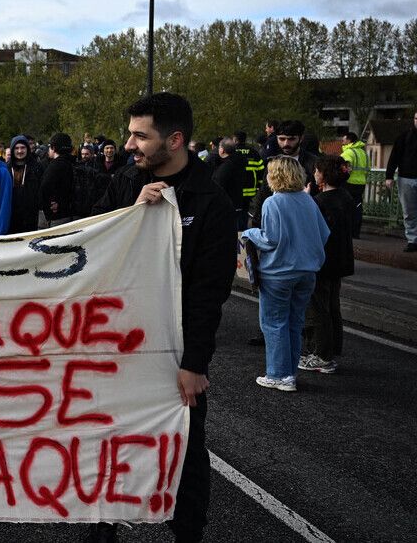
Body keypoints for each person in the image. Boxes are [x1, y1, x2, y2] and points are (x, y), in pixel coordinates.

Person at [90, 93, 236, 543]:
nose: (129, 144)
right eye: (130, 133)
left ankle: (188, 532)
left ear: (174, 140)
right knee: (108, 439)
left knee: (186, 450)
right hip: (118, 346)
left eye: (140, 135)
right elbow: (90, 247)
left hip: (174, 354)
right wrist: (132, 215)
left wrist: (194, 364)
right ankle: (102, 524)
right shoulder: (123, 184)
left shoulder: (211, 203)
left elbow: (208, 294)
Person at [241, 157, 328, 392]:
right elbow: (324, 233)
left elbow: (270, 239)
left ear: (274, 176)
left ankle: (278, 374)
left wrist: (250, 232)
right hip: (307, 271)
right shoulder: (308, 201)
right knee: (294, 322)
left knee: (273, 323)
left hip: (278, 272)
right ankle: (289, 374)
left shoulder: (273, 203)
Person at [301, 154, 355, 375]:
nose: (314, 173)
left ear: (324, 175)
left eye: (317, 170)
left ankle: (322, 355)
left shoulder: (320, 202)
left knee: (318, 308)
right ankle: (331, 350)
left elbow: (313, 233)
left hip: (322, 261)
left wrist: (306, 200)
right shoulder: (345, 197)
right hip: (341, 259)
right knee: (333, 306)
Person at [249, 120, 317, 227]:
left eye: (291, 139)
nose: (286, 144)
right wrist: (256, 224)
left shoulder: (313, 163)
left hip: (303, 223)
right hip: (276, 224)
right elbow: (264, 193)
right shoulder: (272, 163)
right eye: (282, 139)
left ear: (301, 138)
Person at [383, 110, 417, 251]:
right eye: (416, 118)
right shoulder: (404, 137)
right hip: (406, 178)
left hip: (407, 178)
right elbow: (394, 157)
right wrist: (389, 176)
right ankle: (412, 240)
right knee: (409, 212)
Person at [6, 135, 42, 233]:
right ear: (12, 150)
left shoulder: (36, 167)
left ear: (27, 149)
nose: (20, 151)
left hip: (30, 216)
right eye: (17, 148)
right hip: (10, 215)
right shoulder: (5, 169)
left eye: (23, 148)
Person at [211, 138, 247, 230]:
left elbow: (218, 187)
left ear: (222, 150)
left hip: (226, 208)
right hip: (238, 203)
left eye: (219, 147)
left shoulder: (225, 167)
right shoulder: (240, 162)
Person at [39, 132, 75, 227]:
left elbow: (44, 188)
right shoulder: (73, 163)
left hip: (57, 217)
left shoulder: (55, 166)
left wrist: (48, 207)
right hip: (71, 213)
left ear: (54, 148)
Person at [338, 132, 368, 239]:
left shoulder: (348, 153)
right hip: (361, 183)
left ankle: (346, 232)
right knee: (358, 207)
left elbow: (345, 168)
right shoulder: (363, 152)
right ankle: (356, 232)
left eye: (343, 140)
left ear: (349, 141)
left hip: (349, 183)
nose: (342, 142)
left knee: (345, 207)